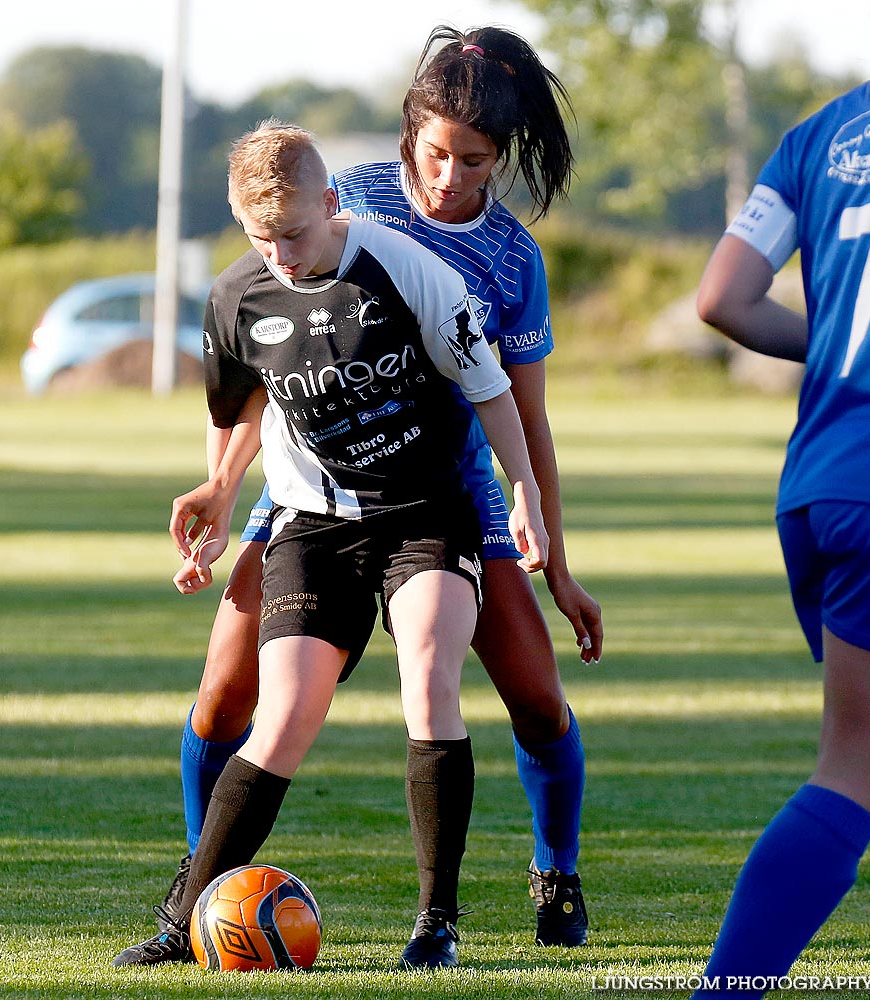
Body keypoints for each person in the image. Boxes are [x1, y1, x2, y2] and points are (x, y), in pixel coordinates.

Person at [163, 24, 604, 948]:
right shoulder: (344, 199)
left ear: (502, 156)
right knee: (225, 696)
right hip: (308, 493)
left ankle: (555, 873)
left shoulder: (512, 261)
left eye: (475, 162)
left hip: (447, 496)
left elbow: (523, 413)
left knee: (533, 692)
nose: (450, 178)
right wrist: (219, 484)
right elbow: (260, 366)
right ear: (411, 134)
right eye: (438, 154)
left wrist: (556, 562)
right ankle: (203, 879)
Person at [114, 121, 549, 970]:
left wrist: (525, 491)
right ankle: (182, 920)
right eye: (259, 236)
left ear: (332, 203)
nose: (278, 253)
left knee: (429, 675)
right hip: (314, 526)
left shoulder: (407, 270)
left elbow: (490, 390)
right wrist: (217, 491)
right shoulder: (237, 296)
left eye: (294, 233)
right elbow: (239, 407)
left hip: (427, 513)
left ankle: (436, 924)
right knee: (280, 719)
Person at [692, 15, 870, 995]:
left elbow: (722, 297)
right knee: (857, 770)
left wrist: (844, 350)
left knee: (857, 760)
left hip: (826, 479)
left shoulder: (816, 138)